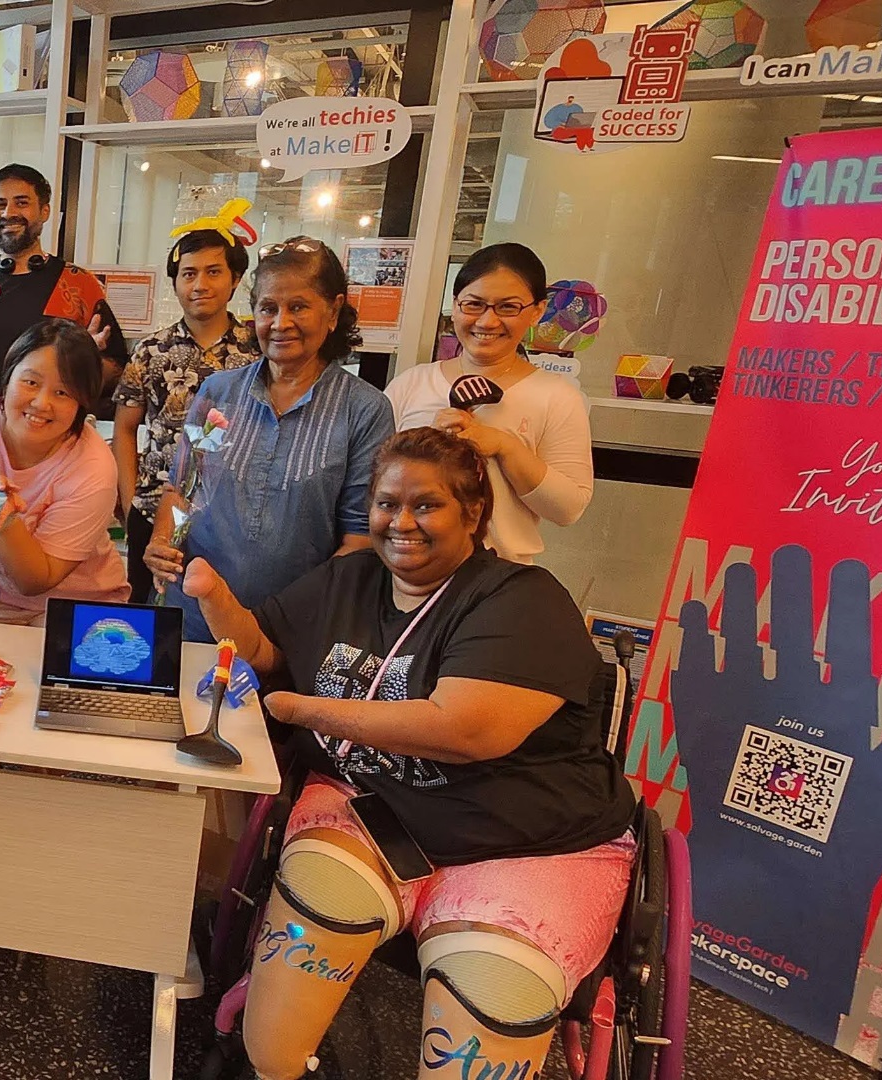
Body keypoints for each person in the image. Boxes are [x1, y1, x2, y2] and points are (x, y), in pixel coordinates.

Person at [181, 427, 636, 1080]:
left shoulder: (522, 599)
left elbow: (465, 731)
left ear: (473, 513)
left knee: (487, 1006)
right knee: (275, 1038)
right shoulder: (352, 576)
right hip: (373, 807)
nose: (400, 522)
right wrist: (215, 599)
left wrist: (299, 709)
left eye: (426, 505)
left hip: (527, 841)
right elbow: (265, 648)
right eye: (386, 503)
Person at [145, 236, 394, 643]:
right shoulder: (219, 394)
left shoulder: (363, 410)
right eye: (268, 308)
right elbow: (183, 491)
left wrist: (297, 616)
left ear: (333, 311)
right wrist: (162, 542)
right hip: (193, 614)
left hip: (292, 629)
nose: (280, 323)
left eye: (298, 307)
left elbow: (360, 540)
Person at [382, 242, 593, 564]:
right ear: (455, 305)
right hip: (405, 569)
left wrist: (506, 447)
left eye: (508, 307)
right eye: (473, 304)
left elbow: (568, 509)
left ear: (537, 311)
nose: (487, 321)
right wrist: (425, 445)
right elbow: (373, 486)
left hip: (501, 576)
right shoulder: (410, 385)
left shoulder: (557, 397)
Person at [0, 319, 127, 624]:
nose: (41, 403)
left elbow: (34, 582)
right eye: (30, 382)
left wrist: (6, 520)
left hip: (82, 604)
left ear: (82, 403)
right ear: (7, 379)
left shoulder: (94, 466)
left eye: (63, 392)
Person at [113, 225, 258, 603]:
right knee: (150, 612)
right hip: (152, 512)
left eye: (213, 272)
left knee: (221, 610)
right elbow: (125, 429)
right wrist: (129, 504)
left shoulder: (257, 351)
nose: (199, 285)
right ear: (175, 282)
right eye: (188, 274)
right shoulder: (150, 350)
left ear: (235, 279)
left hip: (230, 517)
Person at [0, 164, 129, 412]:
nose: (8, 213)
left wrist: (86, 360)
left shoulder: (78, 284)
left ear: (45, 211)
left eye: (21, 203)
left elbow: (116, 371)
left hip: (46, 423)